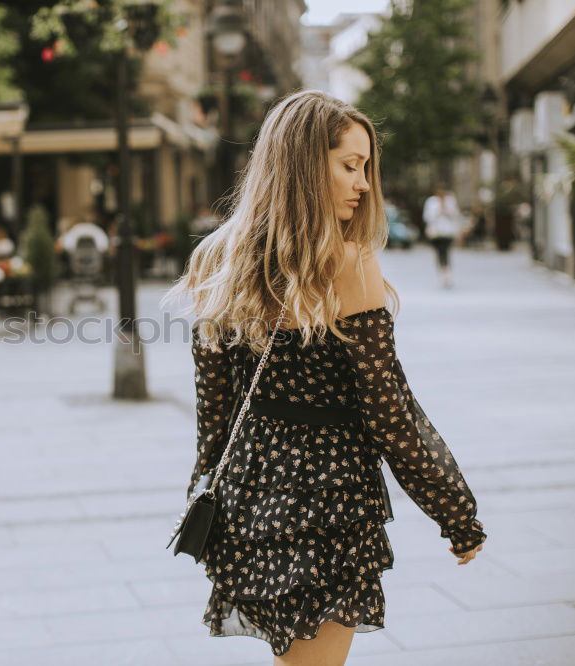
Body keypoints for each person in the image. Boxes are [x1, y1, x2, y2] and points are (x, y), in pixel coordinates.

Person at [160, 90, 487, 665]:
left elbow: (214, 408)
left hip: (250, 495)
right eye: (349, 166)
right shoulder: (347, 261)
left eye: (366, 168)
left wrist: (205, 491)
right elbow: (391, 413)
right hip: (327, 495)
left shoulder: (217, 257)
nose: (363, 184)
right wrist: (456, 512)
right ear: (306, 167)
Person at [422, 185, 464, 288]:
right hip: (436, 232)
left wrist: (448, 211)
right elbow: (427, 216)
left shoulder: (450, 201)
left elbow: (456, 215)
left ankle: (446, 274)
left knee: (445, 251)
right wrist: (438, 211)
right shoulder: (431, 202)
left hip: (447, 232)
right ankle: (443, 272)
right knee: (439, 252)